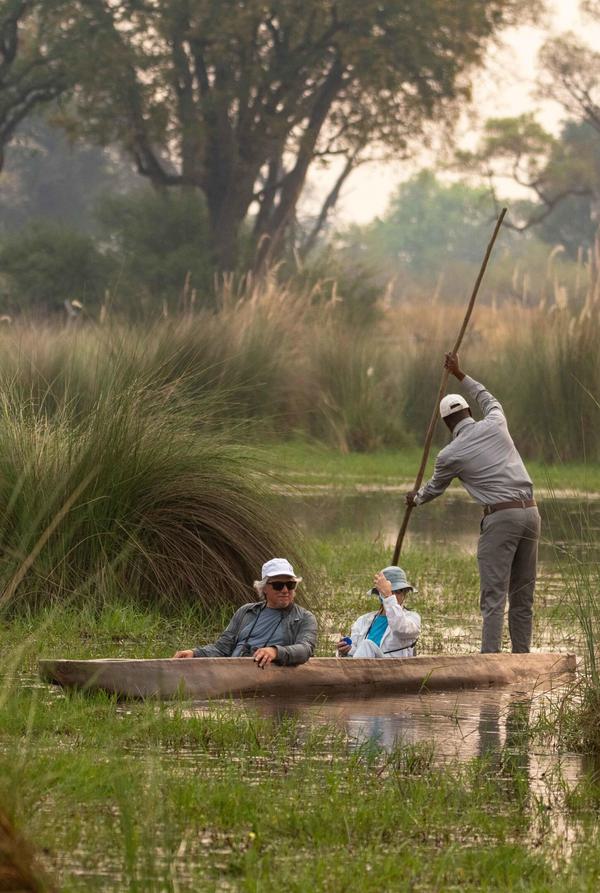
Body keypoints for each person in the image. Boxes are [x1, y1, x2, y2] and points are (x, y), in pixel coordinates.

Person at [406, 352, 541, 654]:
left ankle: (490, 662)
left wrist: (414, 499)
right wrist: (459, 373)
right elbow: (486, 396)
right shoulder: (496, 420)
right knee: (522, 595)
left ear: (446, 424)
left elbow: (433, 489)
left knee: (494, 597)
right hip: (531, 513)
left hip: (501, 519)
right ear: (468, 412)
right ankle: (522, 658)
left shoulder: (450, 455)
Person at [173, 558, 317, 668]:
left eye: (290, 585)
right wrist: (195, 653)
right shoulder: (246, 611)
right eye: (278, 585)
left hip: (267, 674)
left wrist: (275, 652)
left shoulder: (304, 617)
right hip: (232, 671)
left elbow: (305, 649)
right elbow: (222, 648)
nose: (285, 590)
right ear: (264, 588)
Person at [336, 566, 420, 659]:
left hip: (392, 670)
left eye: (398, 591)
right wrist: (346, 650)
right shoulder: (363, 620)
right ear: (379, 594)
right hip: (362, 669)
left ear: (405, 594)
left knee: (367, 644)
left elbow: (399, 628)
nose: (394, 596)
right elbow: (358, 653)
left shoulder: (412, 618)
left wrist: (388, 596)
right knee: (366, 646)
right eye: (391, 592)